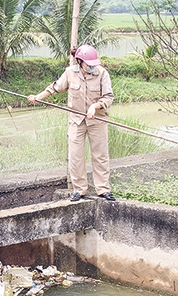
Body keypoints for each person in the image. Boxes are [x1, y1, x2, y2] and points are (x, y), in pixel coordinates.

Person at [27, 44, 115, 202]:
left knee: (100, 155)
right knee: (76, 156)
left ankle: (103, 189)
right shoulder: (70, 73)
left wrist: (95, 107)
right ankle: (79, 190)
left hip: (97, 120)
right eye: (89, 64)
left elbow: (108, 97)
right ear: (80, 62)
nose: (92, 67)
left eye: (94, 64)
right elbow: (55, 88)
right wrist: (37, 97)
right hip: (76, 120)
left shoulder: (102, 73)